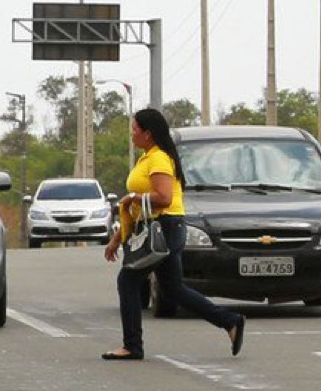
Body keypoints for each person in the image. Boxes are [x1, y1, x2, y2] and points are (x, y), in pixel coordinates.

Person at [101, 109, 246, 360]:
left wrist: (133, 197)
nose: (132, 134)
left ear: (148, 133)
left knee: (128, 281)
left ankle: (132, 346)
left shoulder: (158, 159)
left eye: (135, 129)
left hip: (164, 226)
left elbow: (164, 197)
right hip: (162, 226)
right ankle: (230, 321)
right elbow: (140, 208)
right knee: (173, 289)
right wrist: (116, 239)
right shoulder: (147, 158)